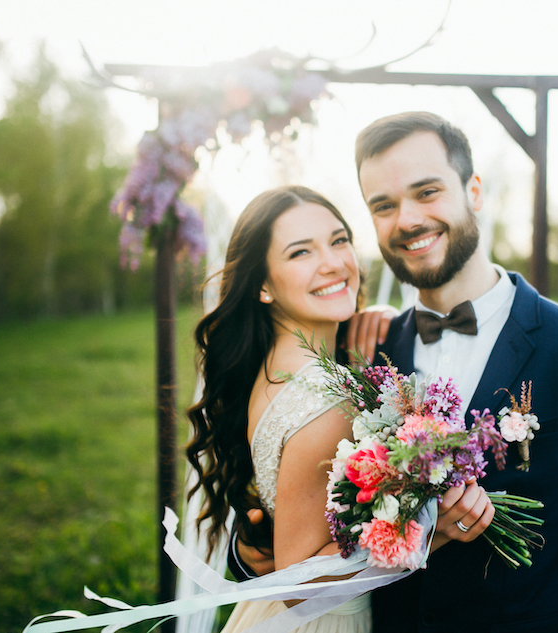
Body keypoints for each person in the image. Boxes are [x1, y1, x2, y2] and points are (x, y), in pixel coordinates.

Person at [354, 112, 558, 632]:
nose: (406, 220)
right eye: (383, 206)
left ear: (473, 191)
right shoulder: (369, 353)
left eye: (427, 192)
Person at [185, 185, 496, 633]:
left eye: (338, 240)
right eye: (300, 253)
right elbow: (299, 584)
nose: (333, 262)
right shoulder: (325, 400)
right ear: (263, 286)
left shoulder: (279, 367)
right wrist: (428, 527)